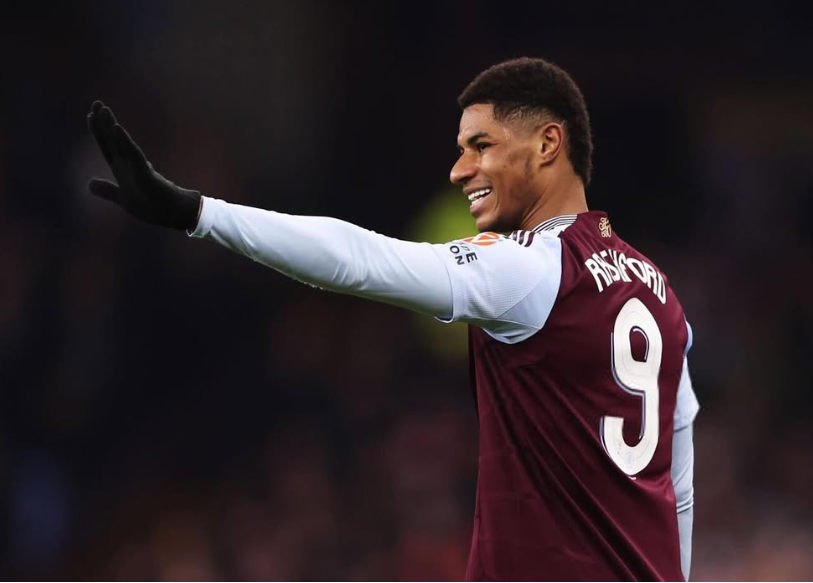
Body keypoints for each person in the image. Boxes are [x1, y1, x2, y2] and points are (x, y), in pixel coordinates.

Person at [86, 57, 698, 581]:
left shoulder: (531, 268)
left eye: (481, 146)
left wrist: (200, 214)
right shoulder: (662, 296)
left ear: (547, 144)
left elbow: (359, 260)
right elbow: (680, 487)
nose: (460, 170)